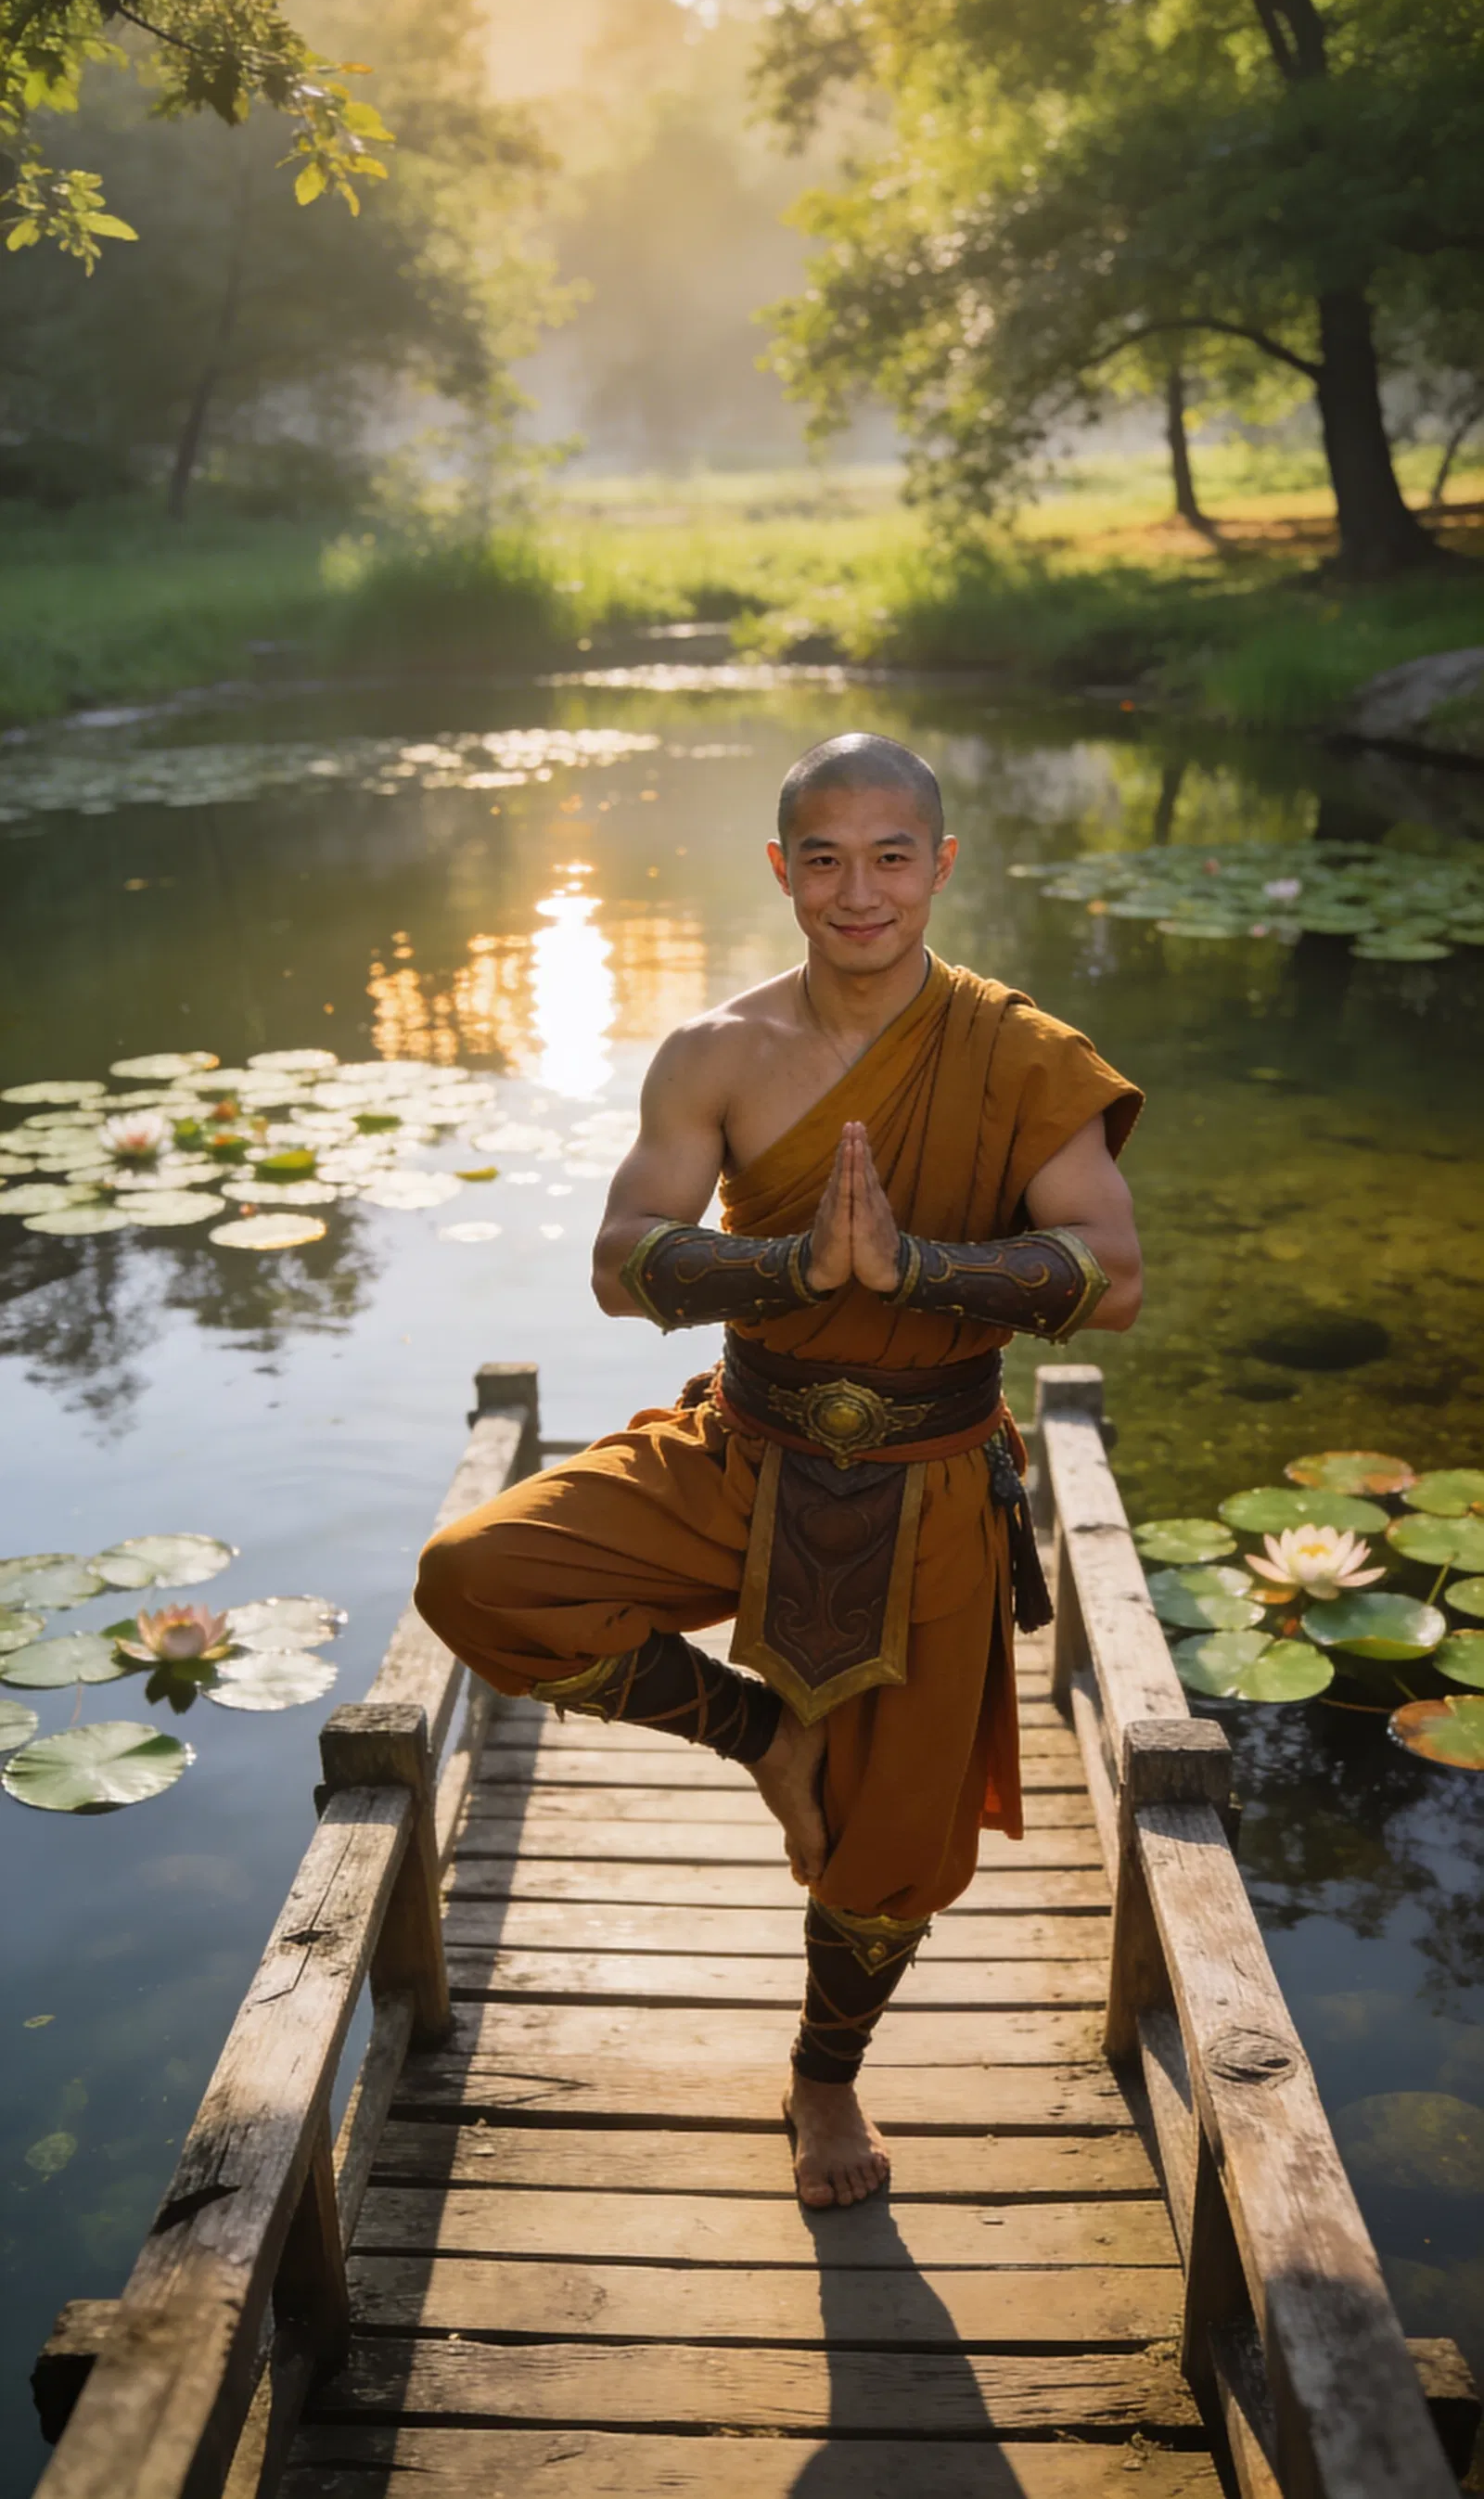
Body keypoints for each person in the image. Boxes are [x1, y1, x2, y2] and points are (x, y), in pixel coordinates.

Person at [416, 731, 1143, 2210]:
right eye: (825, 859)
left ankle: (824, 2078)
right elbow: (620, 1258)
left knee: (893, 1846)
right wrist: (784, 1268)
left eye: (891, 858)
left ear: (941, 865)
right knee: (477, 1577)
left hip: (935, 1478)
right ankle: (761, 1737)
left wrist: (917, 1267)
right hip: (744, 1447)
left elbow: (1113, 1275)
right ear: (781, 870)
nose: (858, 891)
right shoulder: (715, 1052)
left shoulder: (1022, 1055)